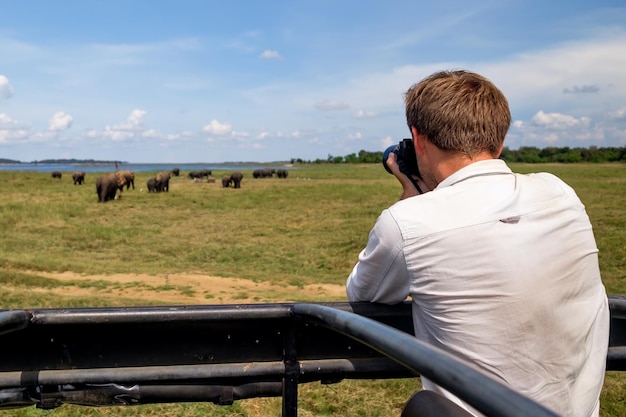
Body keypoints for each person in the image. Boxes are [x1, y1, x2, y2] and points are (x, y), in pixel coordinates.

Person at [346, 70, 610, 416]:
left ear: (417, 139)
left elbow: (362, 294)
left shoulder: (407, 223)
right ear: (499, 143)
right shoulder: (560, 192)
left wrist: (411, 203)